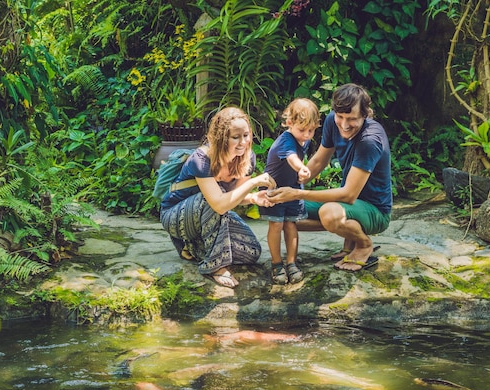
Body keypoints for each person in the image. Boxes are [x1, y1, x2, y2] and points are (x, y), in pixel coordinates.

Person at [267, 83, 392, 271]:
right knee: (282, 209)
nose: (344, 124)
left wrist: (297, 194)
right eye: (340, 117)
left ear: (366, 115)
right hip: (348, 205)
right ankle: (348, 236)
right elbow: (318, 162)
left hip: (374, 211)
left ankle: (364, 244)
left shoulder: (369, 140)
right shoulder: (332, 121)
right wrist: (289, 186)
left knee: (329, 214)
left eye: (352, 119)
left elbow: (348, 195)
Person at [160, 107, 277, 288]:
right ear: (222, 138)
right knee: (212, 203)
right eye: (235, 137)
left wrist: (253, 198)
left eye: (246, 135)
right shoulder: (202, 158)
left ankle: (193, 246)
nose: (242, 142)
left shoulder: (247, 159)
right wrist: (253, 183)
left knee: (251, 251)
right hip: (176, 215)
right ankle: (214, 266)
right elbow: (219, 204)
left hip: (211, 212)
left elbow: (233, 197)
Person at [259, 98, 319, 284]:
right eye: (302, 130)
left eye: (311, 130)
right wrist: (301, 168)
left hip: (293, 189)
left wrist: (300, 176)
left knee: (291, 224)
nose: (307, 135)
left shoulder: (304, 140)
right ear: (290, 123)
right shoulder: (286, 140)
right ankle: (277, 263)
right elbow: (292, 158)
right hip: (275, 190)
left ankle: (291, 262)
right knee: (276, 225)